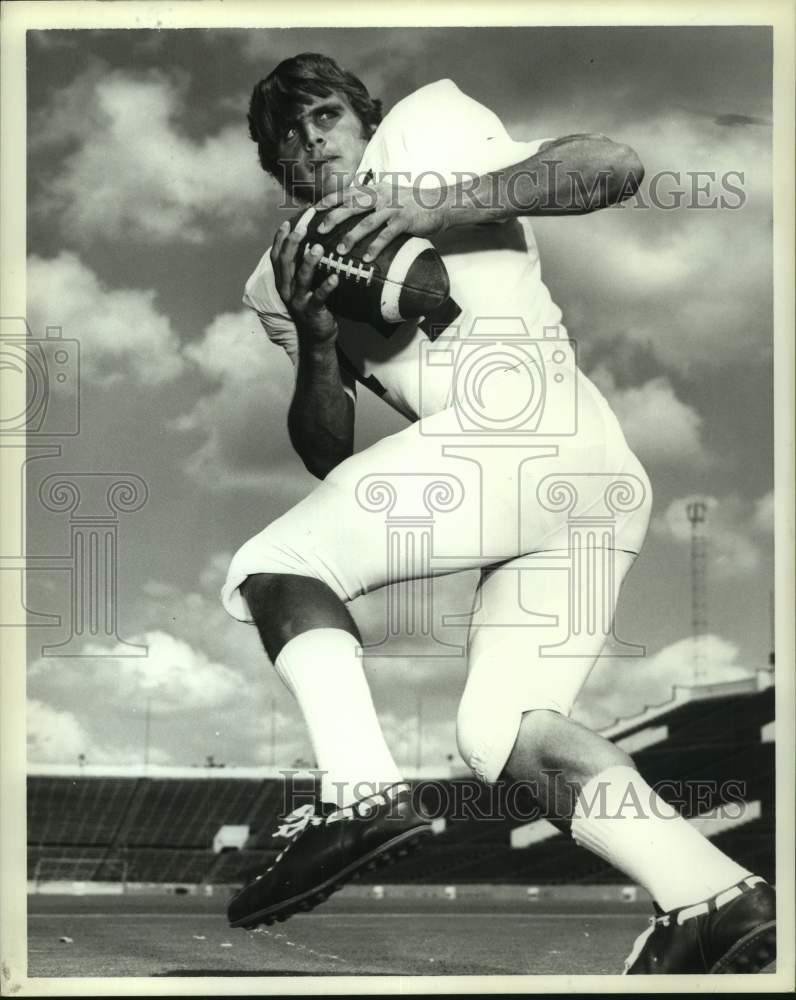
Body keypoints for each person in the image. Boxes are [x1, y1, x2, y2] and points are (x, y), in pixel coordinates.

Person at [221, 53, 776, 974]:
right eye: (286, 138)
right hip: (563, 480)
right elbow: (328, 454)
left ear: (363, 119)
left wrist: (430, 208)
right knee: (502, 733)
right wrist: (317, 348)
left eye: (322, 116)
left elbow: (611, 162)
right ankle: (709, 892)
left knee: (272, 566)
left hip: (534, 425)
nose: (308, 143)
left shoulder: (424, 129)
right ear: (274, 170)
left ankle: (358, 791)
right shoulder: (275, 280)